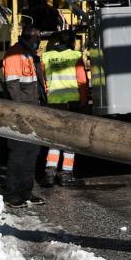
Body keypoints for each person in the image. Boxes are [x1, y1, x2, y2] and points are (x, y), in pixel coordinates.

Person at [1, 26, 47, 208]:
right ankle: (12, 194)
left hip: (33, 111)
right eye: (37, 40)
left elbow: (37, 84)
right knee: (18, 153)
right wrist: (20, 112)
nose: (39, 43)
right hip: (21, 113)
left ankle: (26, 191)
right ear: (30, 38)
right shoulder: (14, 55)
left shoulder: (30, 55)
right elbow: (13, 87)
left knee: (31, 153)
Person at [41, 31, 90, 187]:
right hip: (72, 103)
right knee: (70, 139)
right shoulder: (75, 56)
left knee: (55, 138)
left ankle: (50, 173)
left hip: (54, 102)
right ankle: (66, 174)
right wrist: (83, 101)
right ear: (71, 42)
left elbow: (43, 80)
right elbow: (82, 80)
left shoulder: (47, 57)